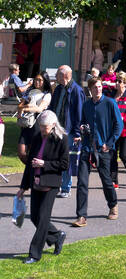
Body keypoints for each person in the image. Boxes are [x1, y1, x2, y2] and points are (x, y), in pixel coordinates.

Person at [18, 110, 69, 263]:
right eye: (40, 126)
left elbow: (64, 164)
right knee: (35, 217)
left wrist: (44, 164)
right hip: (36, 182)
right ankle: (56, 236)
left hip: (51, 183)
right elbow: (29, 165)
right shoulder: (37, 137)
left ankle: (34, 254)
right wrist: (23, 187)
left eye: (45, 127)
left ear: (53, 125)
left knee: (43, 219)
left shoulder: (62, 139)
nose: (42, 130)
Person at [73, 78, 123, 227]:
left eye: (100, 87)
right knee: (82, 182)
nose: (98, 89)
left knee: (106, 180)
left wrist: (109, 143)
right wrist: (81, 130)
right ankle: (81, 216)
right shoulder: (87, 105)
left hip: (103, 149)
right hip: (87, 148)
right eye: (95, 87)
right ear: (90, 89)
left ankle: (113, 205)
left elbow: (118, 125)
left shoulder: (110, 103)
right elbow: (82, 122)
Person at [48, 65, 86, 198]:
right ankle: (55, 184)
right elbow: (53, 107)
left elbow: (79, 114)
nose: (56, 76)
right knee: (54, 157)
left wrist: (77, 133)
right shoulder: (58, 89)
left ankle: (66, 187)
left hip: (69, 131)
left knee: (66, 159)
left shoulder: (76, 90)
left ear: (64, 76)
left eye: (57, 74)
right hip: (56, 129)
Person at [16, 72, 51, 146]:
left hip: (37, 124)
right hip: (26, 122)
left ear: (45, 81)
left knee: (32, 150)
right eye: (35, 79)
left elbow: (39, 109)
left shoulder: (47, 94)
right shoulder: (29, 91)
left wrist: (24, 108)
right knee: (21, 152)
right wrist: (25, 108)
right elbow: (19, 106)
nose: (36, 82)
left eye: (40, 80)